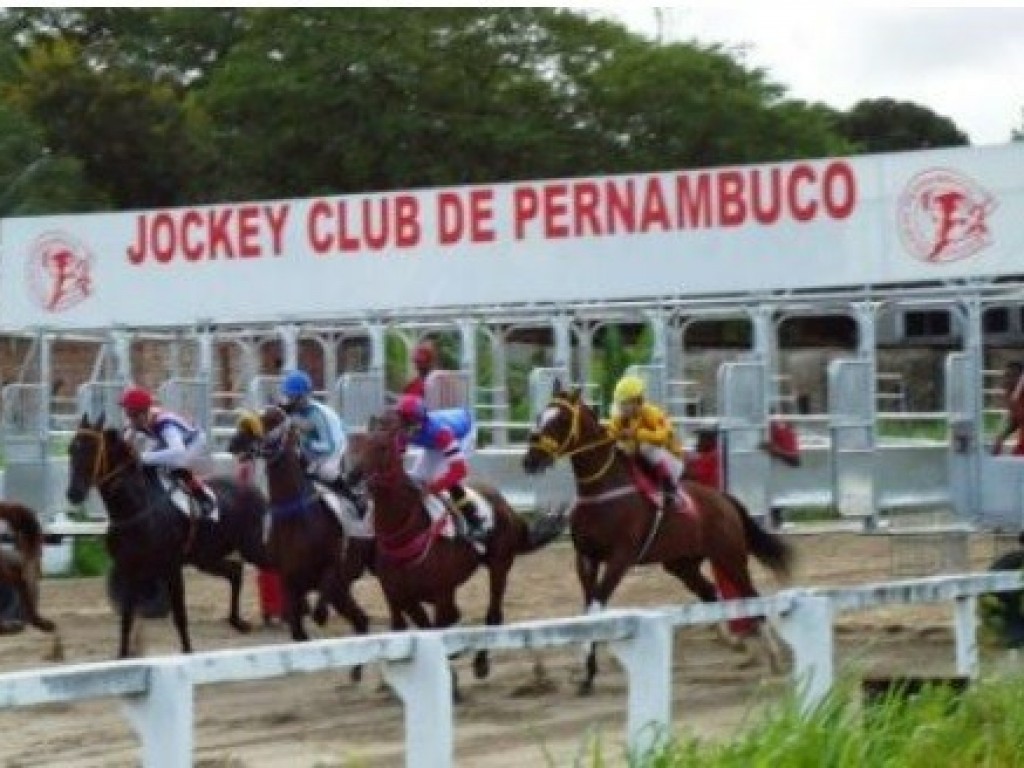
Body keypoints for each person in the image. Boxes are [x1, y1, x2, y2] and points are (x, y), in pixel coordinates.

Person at [394, 393, 485, 540]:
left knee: (446, 480)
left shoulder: (440, 432)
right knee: (416, 477)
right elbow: (396, 462)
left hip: (464, 433)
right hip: (434, 441)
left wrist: (432, 488)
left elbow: (459, 471)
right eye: (401, 421)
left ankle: (474, 520)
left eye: (407, 422)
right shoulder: (403, 430)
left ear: (418, 421)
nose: (403, 427)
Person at [119, 386, 215, 518]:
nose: (129, 419)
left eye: (131, 415)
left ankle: (203, 498)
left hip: (194, 441)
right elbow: (125, 444)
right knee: (147, 462)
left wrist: (142, 457)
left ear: (142, 413)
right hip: (170, 442)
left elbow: (178, 452)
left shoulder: (165, 424)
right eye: (128, 414)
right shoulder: (138, 419)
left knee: (176, 465)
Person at [278, 369, 365, 514]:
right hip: (317, 445)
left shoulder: (316, 415)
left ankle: (353, 497)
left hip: (336, 445)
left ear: (304, 396)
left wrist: (305, 443)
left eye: (293, 398)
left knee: (325, 471)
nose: (289, 401)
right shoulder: (296, 410)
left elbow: (328, 446)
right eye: (288, 397)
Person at [607, 374, 685, 507]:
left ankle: (670, 489)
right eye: (619, 403)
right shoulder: (622, 418)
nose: (621, 407)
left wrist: (637, 433)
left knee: (645, 447)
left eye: (624, 403)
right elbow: (610, 433)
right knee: (621, 449)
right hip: (648, 464)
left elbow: (663, 437)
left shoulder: (652, 413)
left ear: (637, 401)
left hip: (673, 463)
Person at [993, 362, 1024, 456]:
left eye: (1011, 376)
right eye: (1006, 376)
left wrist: (1010, 402)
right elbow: (1016, 420)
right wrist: (1001, 438)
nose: (1007, 380)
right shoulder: (1012, 393)